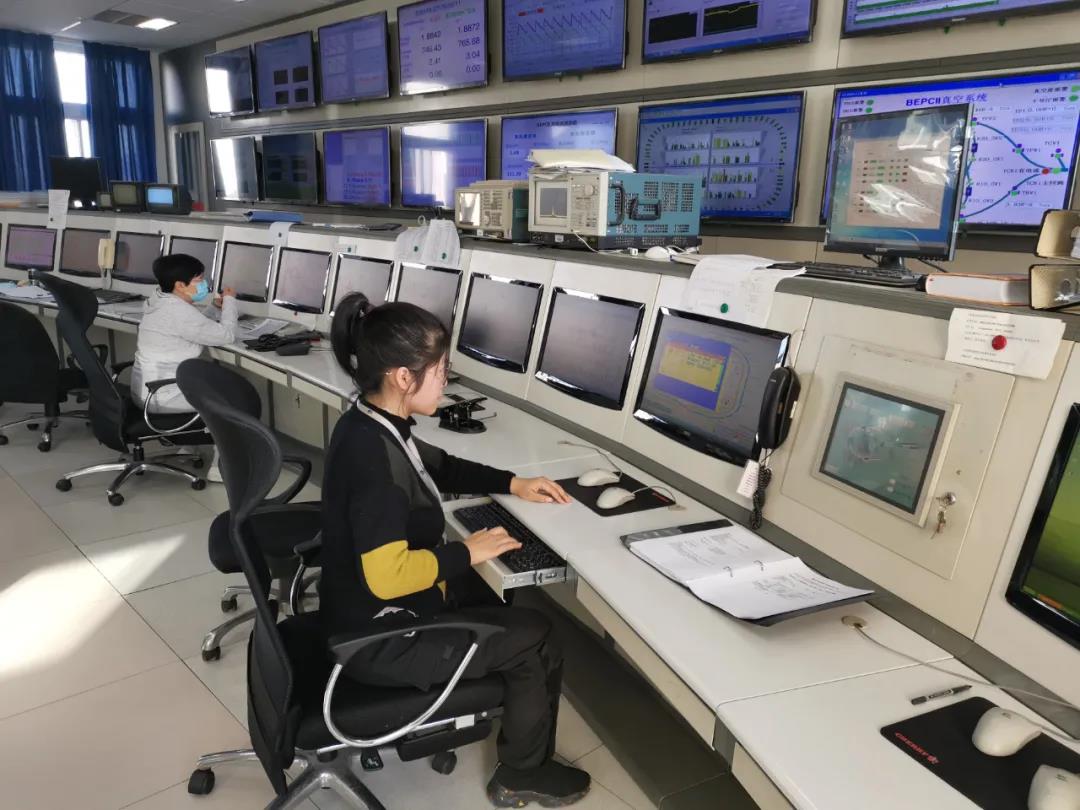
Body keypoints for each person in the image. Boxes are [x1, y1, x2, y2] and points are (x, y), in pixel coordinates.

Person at [322, 292, 592, 807]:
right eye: (441, 370)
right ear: (404, 377)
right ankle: (523, 775)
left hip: (362, 611)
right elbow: (388, 577)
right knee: (537, 636)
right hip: (383, 637)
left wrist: (512, 482)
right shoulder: (376, 467)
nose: (446, 380)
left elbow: (440, 466)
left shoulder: (371, 422)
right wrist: (467, 551)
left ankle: (497, 698)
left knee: (495, 594)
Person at [131, 254, 238, 481]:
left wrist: (213, 308)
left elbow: (192, 326)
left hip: (147, 390)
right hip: (164, 396)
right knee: (231, 397)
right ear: (180, 285)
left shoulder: (159, 301)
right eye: (199, 280)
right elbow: (227, 335)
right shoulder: (177, 311)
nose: (204, 284)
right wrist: (230, 302)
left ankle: (188, 447)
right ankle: (220, 468)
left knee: (208, 381)